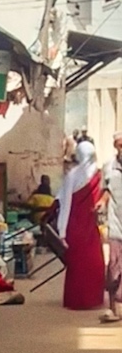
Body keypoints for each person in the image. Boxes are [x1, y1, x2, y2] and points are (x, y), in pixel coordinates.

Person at [57, 138, 105, 312]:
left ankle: (76, 300)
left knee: (77, 264)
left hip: (74, 225)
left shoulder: (72, 175)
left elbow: (65, 203)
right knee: (94, 261)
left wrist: (62, 230)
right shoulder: (100, 175)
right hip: (91, 225)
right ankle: (93, 299)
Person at [101, 133, 122, 322]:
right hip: (116, 225)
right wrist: (101, 202)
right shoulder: (108, 167)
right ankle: (112, 309)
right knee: (113, 267)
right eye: (120, 145)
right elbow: (105, 190)